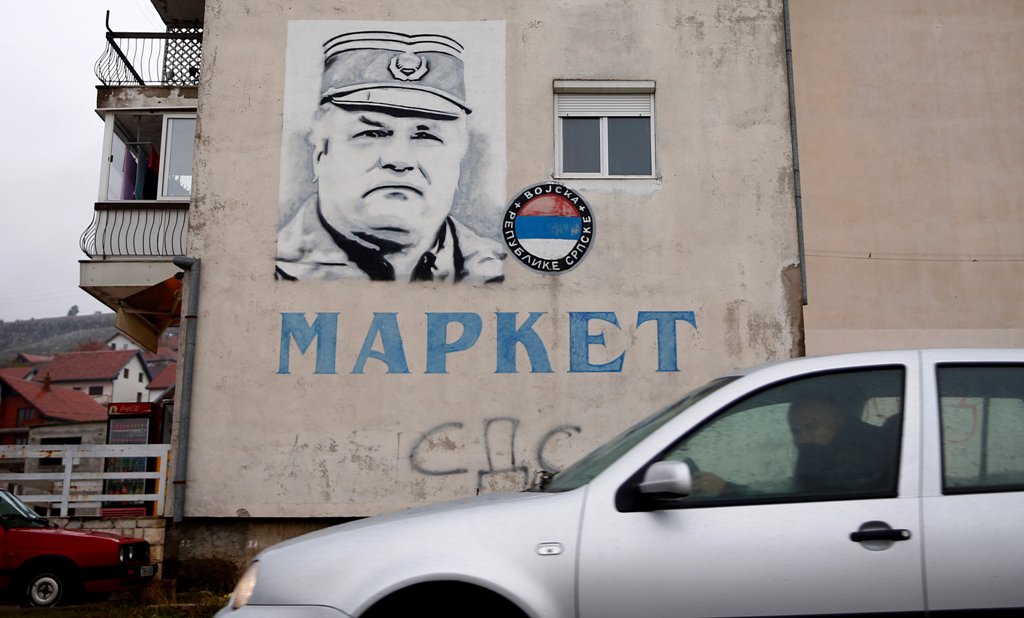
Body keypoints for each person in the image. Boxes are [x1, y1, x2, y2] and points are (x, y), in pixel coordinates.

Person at [276, 30, 506, 283]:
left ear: (459, 159)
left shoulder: (500, 273)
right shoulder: (270, 272)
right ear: (321, 151)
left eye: (425, 136)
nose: (399, 159)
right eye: (372, 133)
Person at [693, 394, 893, 496]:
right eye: (796, 431)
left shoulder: (859, 460)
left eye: (812, 428)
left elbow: (807, 506)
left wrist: (727, 489)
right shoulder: (823, 454)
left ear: (839, 423)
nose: (802, 439)